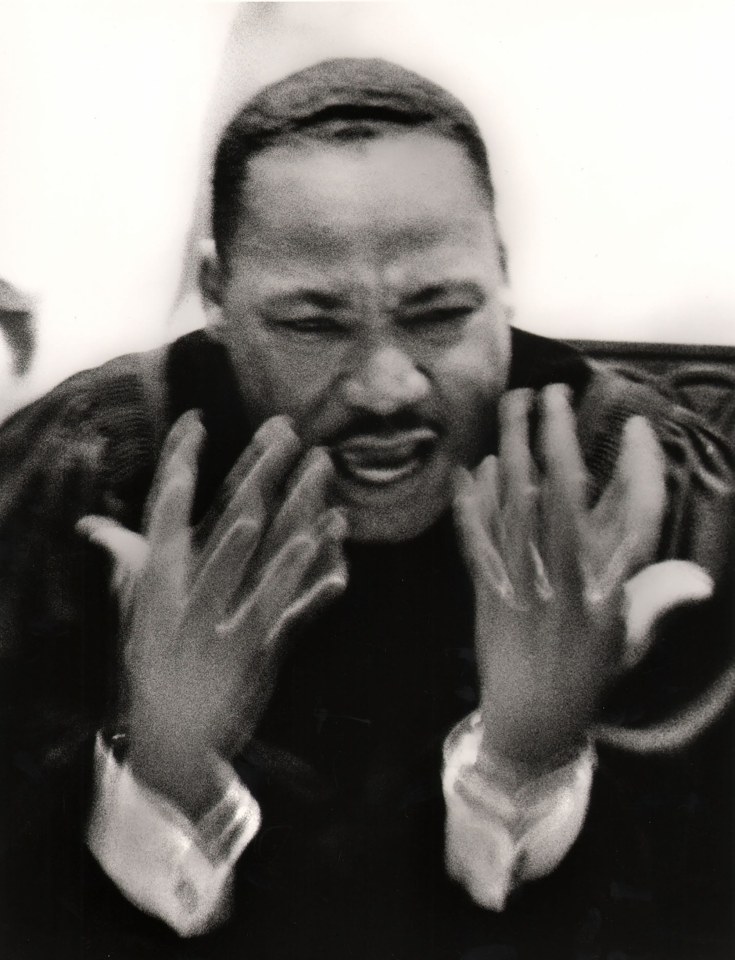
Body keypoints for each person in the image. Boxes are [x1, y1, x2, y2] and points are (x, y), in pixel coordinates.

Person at [0, 58, 732, 960]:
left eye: (439, 312)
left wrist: (529, 760)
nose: (388, 386)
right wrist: (164, 763)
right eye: (312, 324)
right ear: (217, 294)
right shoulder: (79, 479)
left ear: (502, 276)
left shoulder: (652, 494)